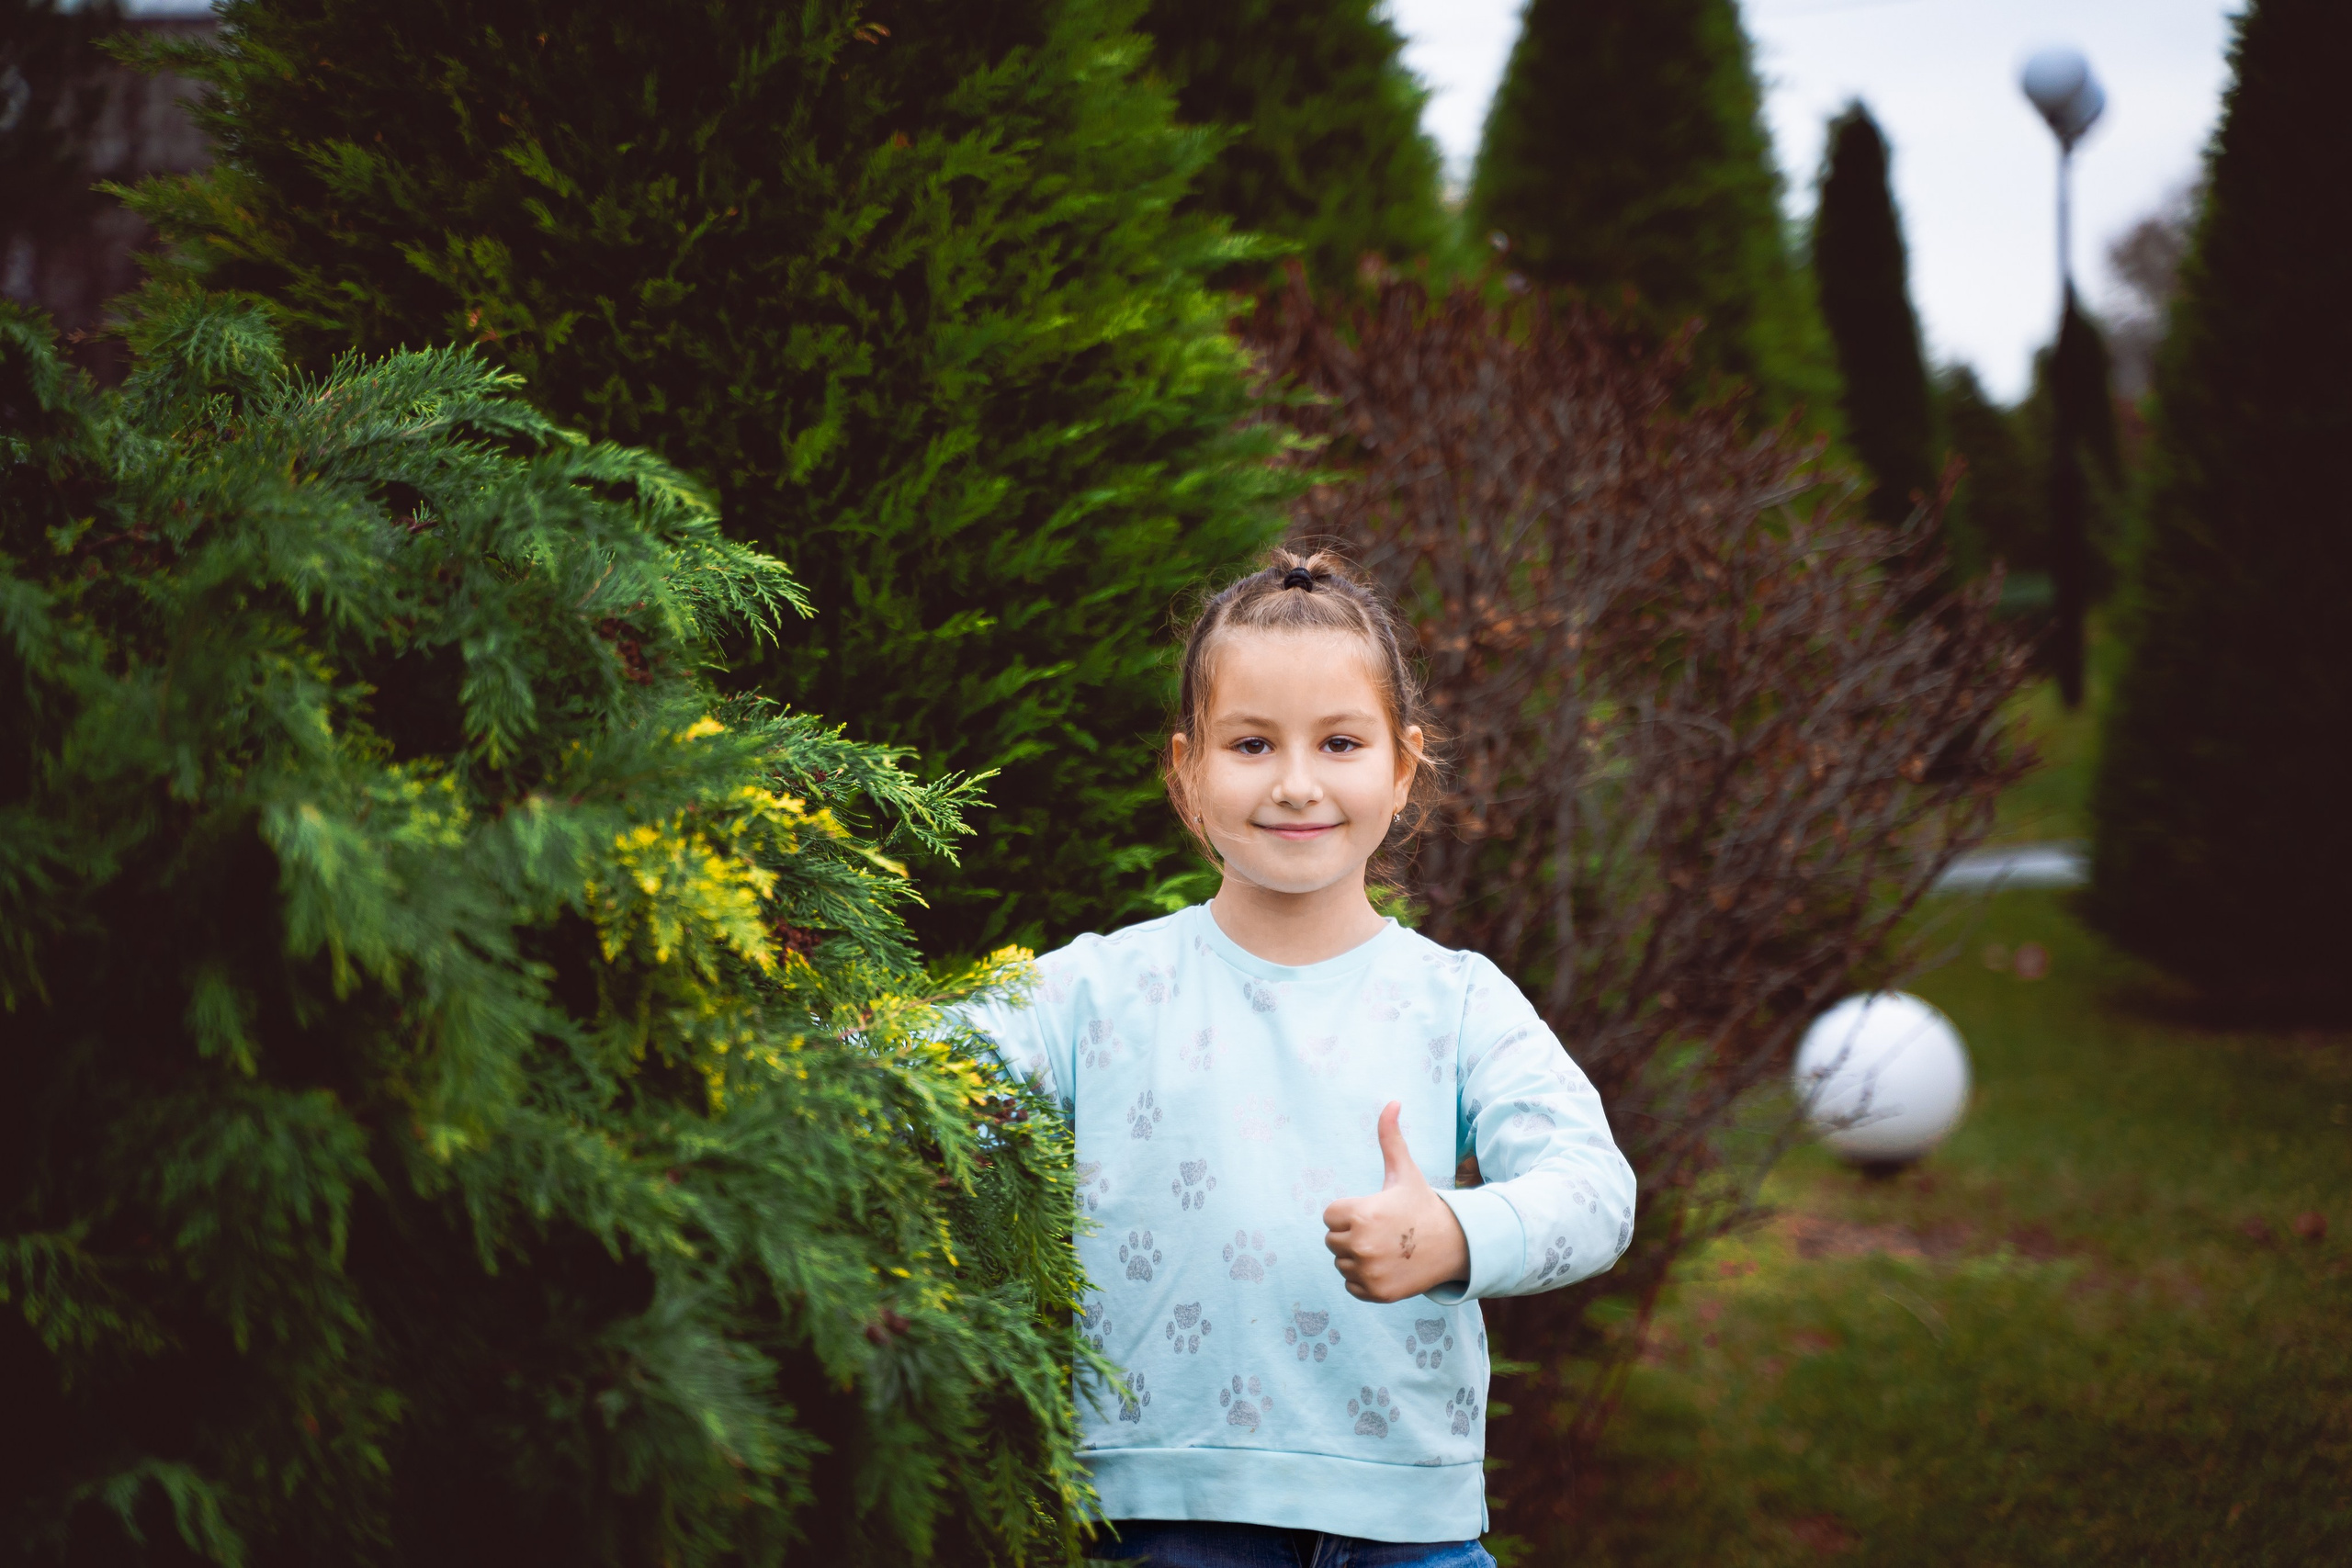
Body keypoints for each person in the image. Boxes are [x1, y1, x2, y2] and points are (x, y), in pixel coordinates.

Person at [952, 550, 1636, 1568]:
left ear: (1402, 770)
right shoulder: (1094, 991)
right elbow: (903, 1077)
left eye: (1341, 741)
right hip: (1161, 1516)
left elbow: (1597, 1194)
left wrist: (1454, 1231)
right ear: (1186, 771)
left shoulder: (1456, 1001)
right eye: (1252, 743)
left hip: (1409, 1531)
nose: (1297, 783)